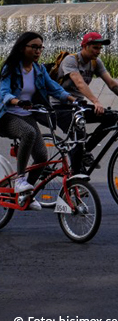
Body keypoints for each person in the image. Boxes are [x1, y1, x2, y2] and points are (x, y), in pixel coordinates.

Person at [0, 32, 75, 210]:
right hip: (7, 115)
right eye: (34, 47)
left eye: (40, 47)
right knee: (28, 133)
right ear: (22, 48)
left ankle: (27, 192)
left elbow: (54, 89)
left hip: (27, 115)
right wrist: (17, 101)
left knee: (41, 156)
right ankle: (19, 180)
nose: (38, 51)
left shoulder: (39, 70)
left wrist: (74, 100)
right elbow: (3, 93)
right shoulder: (10, 68)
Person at [53, 32, 118, 170]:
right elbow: (80, 83)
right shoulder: (71, 60)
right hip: (61, 107)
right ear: (85, 46)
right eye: (95, 48)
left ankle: (84, 151)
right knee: (79, 135)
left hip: (78, 106)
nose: (98, 51)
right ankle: (77, 180)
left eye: (100, 48)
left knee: (111, 118)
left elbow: (111, 83)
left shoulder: (95, 62)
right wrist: (95, 101)